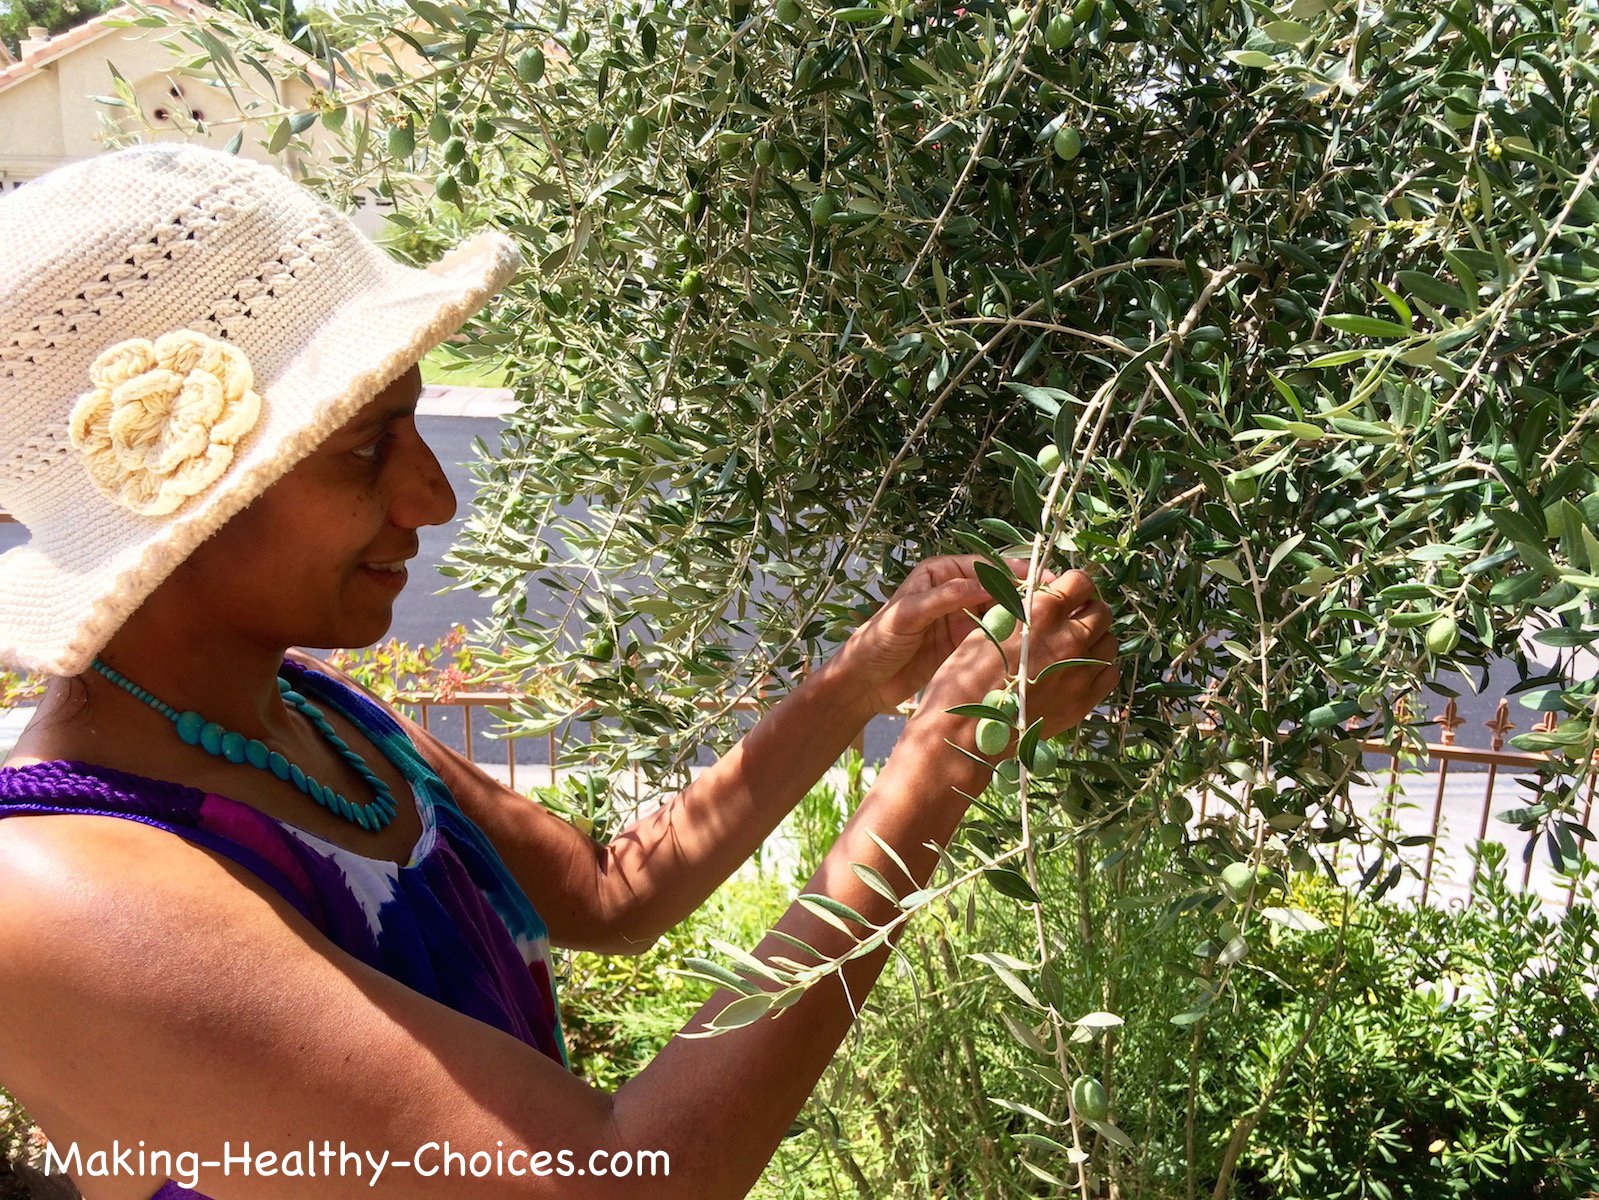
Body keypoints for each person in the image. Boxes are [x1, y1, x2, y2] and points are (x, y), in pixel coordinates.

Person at [0, 144, 1118, 1200]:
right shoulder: (64, 888)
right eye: (363, 447)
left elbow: (610, 890)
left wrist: (868, 677)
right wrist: (945, 757)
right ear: (180, 504)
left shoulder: (308, 715)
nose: (433, 498)